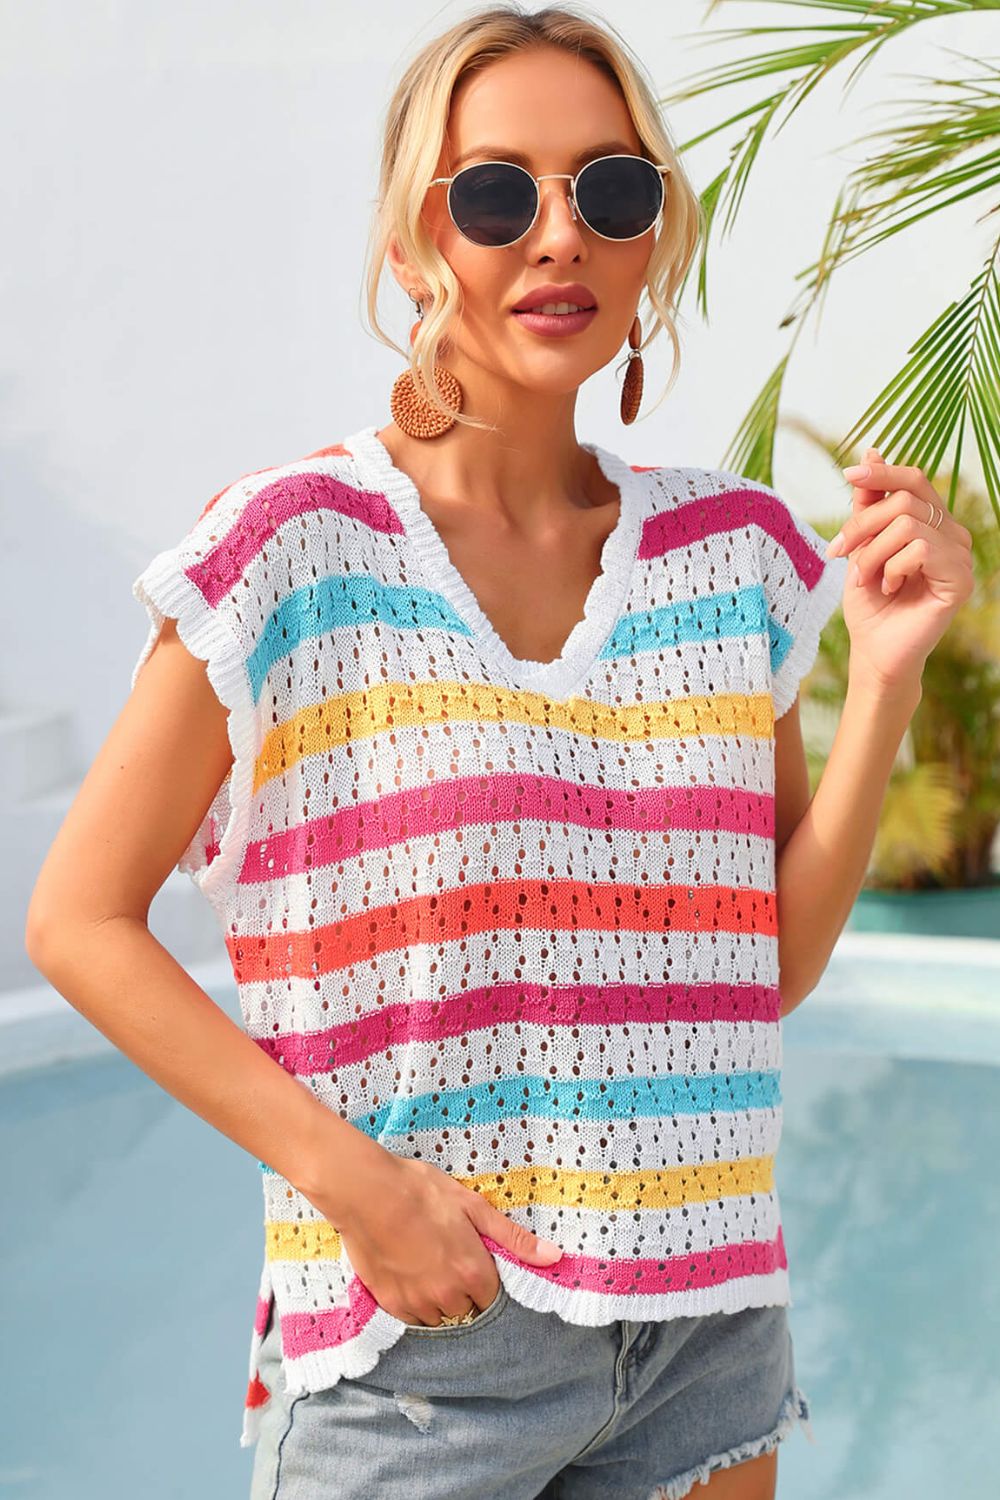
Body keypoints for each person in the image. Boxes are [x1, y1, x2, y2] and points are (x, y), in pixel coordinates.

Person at [25, 5, 974, 1499]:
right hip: (415, 1355)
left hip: (707, 1334)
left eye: (612, 189)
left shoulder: (732, 559)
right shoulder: (291, 553)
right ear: (417, 243)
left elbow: (765, 963)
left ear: (652, 240)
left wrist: (887, 688)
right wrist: (356, 1187)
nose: (560, 236)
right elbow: (78, 921)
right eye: (494, 193)